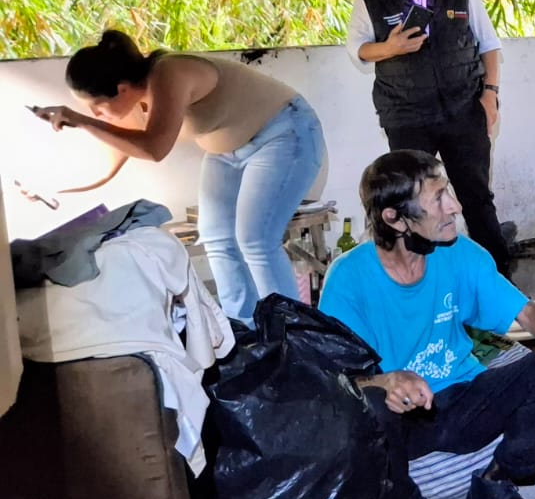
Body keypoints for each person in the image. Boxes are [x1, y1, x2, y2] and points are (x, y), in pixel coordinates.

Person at [318, 150, 535, 499]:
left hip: (464, 404)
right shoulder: (348, 279)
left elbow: (526, 312)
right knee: (371, 405)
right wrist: (383, 381)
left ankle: (495, 483)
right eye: (437, 198)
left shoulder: (458, 252)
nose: (454, 206)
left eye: (448, 192)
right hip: (405, 422)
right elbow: (331, 379)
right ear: (395, 219)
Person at [33, 30, 326, 322]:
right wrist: (53, 190)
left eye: (96, 106)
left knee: (255, 239)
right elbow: (114, 160)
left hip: (284, 133)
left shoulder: (169, 72)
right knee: (217, 237)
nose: (96, 114)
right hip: (226, 152)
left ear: (121, 89)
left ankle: (294, 334)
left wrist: (81, 121)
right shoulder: (135, 99)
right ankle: (245, 330)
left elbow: (154, 147)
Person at [346, 0, 516, 278]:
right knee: (415, 202)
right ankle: (426, 284)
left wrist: (490, 94)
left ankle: (500, 285)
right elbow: (356, 48)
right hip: (405, 114)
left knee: (476, 198)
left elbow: (488, 43)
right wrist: (389, 48)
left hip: (463, 107)